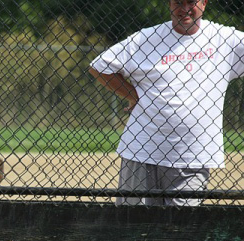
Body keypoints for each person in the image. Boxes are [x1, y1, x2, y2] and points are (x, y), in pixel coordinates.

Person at [89, 0, 244, 206]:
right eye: (177, 2)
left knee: (181, 231)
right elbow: (100, 66)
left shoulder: (225, 39)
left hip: (193, 155)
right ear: (169, 4)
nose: (184, 8)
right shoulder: (146, 39)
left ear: (204, 3)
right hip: (141, 151)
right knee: (132, 227)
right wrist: (133, 95)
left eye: (191, 1)